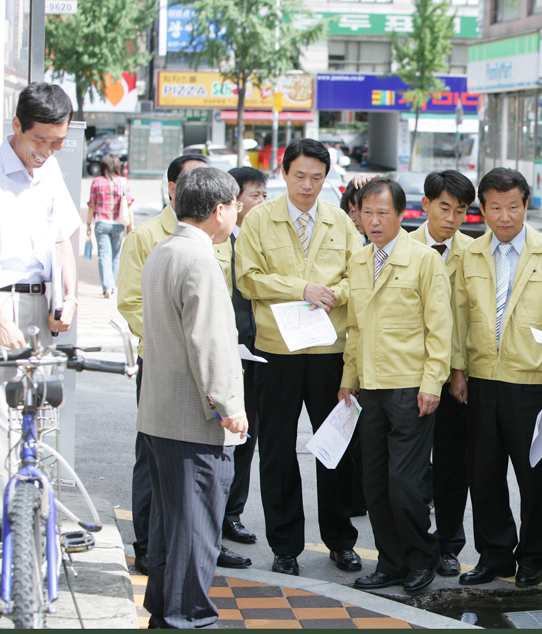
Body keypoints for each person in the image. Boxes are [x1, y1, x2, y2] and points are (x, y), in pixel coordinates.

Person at [236, 138, 362, 577]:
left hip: (329, 350)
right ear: (283, 174)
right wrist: (301, 289)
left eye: (317, 177)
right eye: (300, 175)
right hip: (277, 351)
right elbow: (247, 278)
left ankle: (340, 540)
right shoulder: (257, 221)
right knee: (276, 449)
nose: (308, 185)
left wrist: (334, 295)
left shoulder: (341, 223)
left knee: (335, 449)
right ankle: (285, 545)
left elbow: (357, 277)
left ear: (326, 179)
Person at [118, 153, 250, 573]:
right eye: (235, 204)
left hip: (164, 406)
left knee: (171, 529)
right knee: (192, 531)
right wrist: (230, 407)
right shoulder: (198, 258)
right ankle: (186, 617)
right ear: (218, 211)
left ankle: (168, 611)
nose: (239, 211)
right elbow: (208, 341)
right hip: (194, 415)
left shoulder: (166, 249)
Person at [450, 168, 542, 587]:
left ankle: (534, 556)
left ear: (526, 205)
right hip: (482, 377)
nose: (505, 217)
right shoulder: (469, 254)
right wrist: (458, 369)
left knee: (534, 474)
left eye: (514, 207)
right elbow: (458, 316)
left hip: (532, 380)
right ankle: (495, 554)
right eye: (496, 207)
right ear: (482, 209)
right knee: (483, 474)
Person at [338, 178, 452, 593]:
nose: (374, 221)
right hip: (369, 387)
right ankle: (390, 562)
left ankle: (422, 558)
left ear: (402, 215)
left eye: (383, 213)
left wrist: (432, 383)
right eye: (367, 212)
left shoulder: (423, 260)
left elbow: (440, 328)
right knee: (375, 482)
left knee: (405, 483)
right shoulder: (359, 260)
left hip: (409, 388)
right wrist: (348, 380)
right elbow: (354, 327)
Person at [0, 82, 80, 489]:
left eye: (58, 142)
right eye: (40, 140)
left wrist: (69, 298)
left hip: (41, 306)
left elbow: (62, 238)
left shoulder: (48, 170)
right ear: (16, 124)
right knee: (4, 429)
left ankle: (33, 521)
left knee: (40, 419)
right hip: (4, 307)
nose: (47, 151)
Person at [407, 170, 475, 577]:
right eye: (444, 207)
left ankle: (449, 543)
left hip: (456, 377)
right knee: (411, 468)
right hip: (411, 374)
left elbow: (470, 320)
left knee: (453, 466)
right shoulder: (403, 247)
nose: (451, 218)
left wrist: (459, 370)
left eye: (461, 211)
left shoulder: (474, 252)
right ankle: (415, 541)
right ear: (426, 205)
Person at [221, 167, 268, 545]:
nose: (262, 203)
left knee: (246, 438)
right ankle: (216, 515)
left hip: (257, 355)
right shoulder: (218, 244)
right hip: (224, 357)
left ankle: (232, 513)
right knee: (220, 437)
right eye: (256, 196)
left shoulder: (262, 240)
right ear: (234, 203)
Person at [85, 153, 134, 298]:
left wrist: (88, 223)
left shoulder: (97, 182)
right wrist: (131, 224)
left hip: (101, 224)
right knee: (116, 256)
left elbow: (92, 205)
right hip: (118, 224)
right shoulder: (123, 182)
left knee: (104, 255)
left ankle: (108, 287)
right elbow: (129, 204)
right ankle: (112, 287)